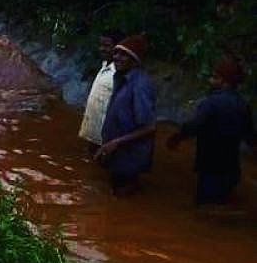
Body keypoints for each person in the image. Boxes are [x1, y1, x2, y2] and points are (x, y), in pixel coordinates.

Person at [166, 55, 255, 205]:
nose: (210, 81)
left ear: (223, 81)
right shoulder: (243, 105)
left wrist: (178, 137)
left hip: (210, 165)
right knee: (224, 203)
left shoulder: (211, 103)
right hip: (231, 167)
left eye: (214, 77)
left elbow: (195, 125)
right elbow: (250, 137)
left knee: (206, 205)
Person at [94, 34, 156, 195]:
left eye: (123, 55)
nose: (117, 58)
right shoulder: (120, 78)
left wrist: (116, 142)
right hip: (117, 153)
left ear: (135, 60)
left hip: (129, 156)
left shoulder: (140, 85)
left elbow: (149, 127)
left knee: (123, 194)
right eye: (116, 53)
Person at [78, 29, 122, 152]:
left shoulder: (118, 74)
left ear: (117, 48)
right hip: (93, 136)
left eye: (107, 46)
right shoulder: (105, 66)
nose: (102, 49)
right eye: (101, 45)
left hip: (106, 139)